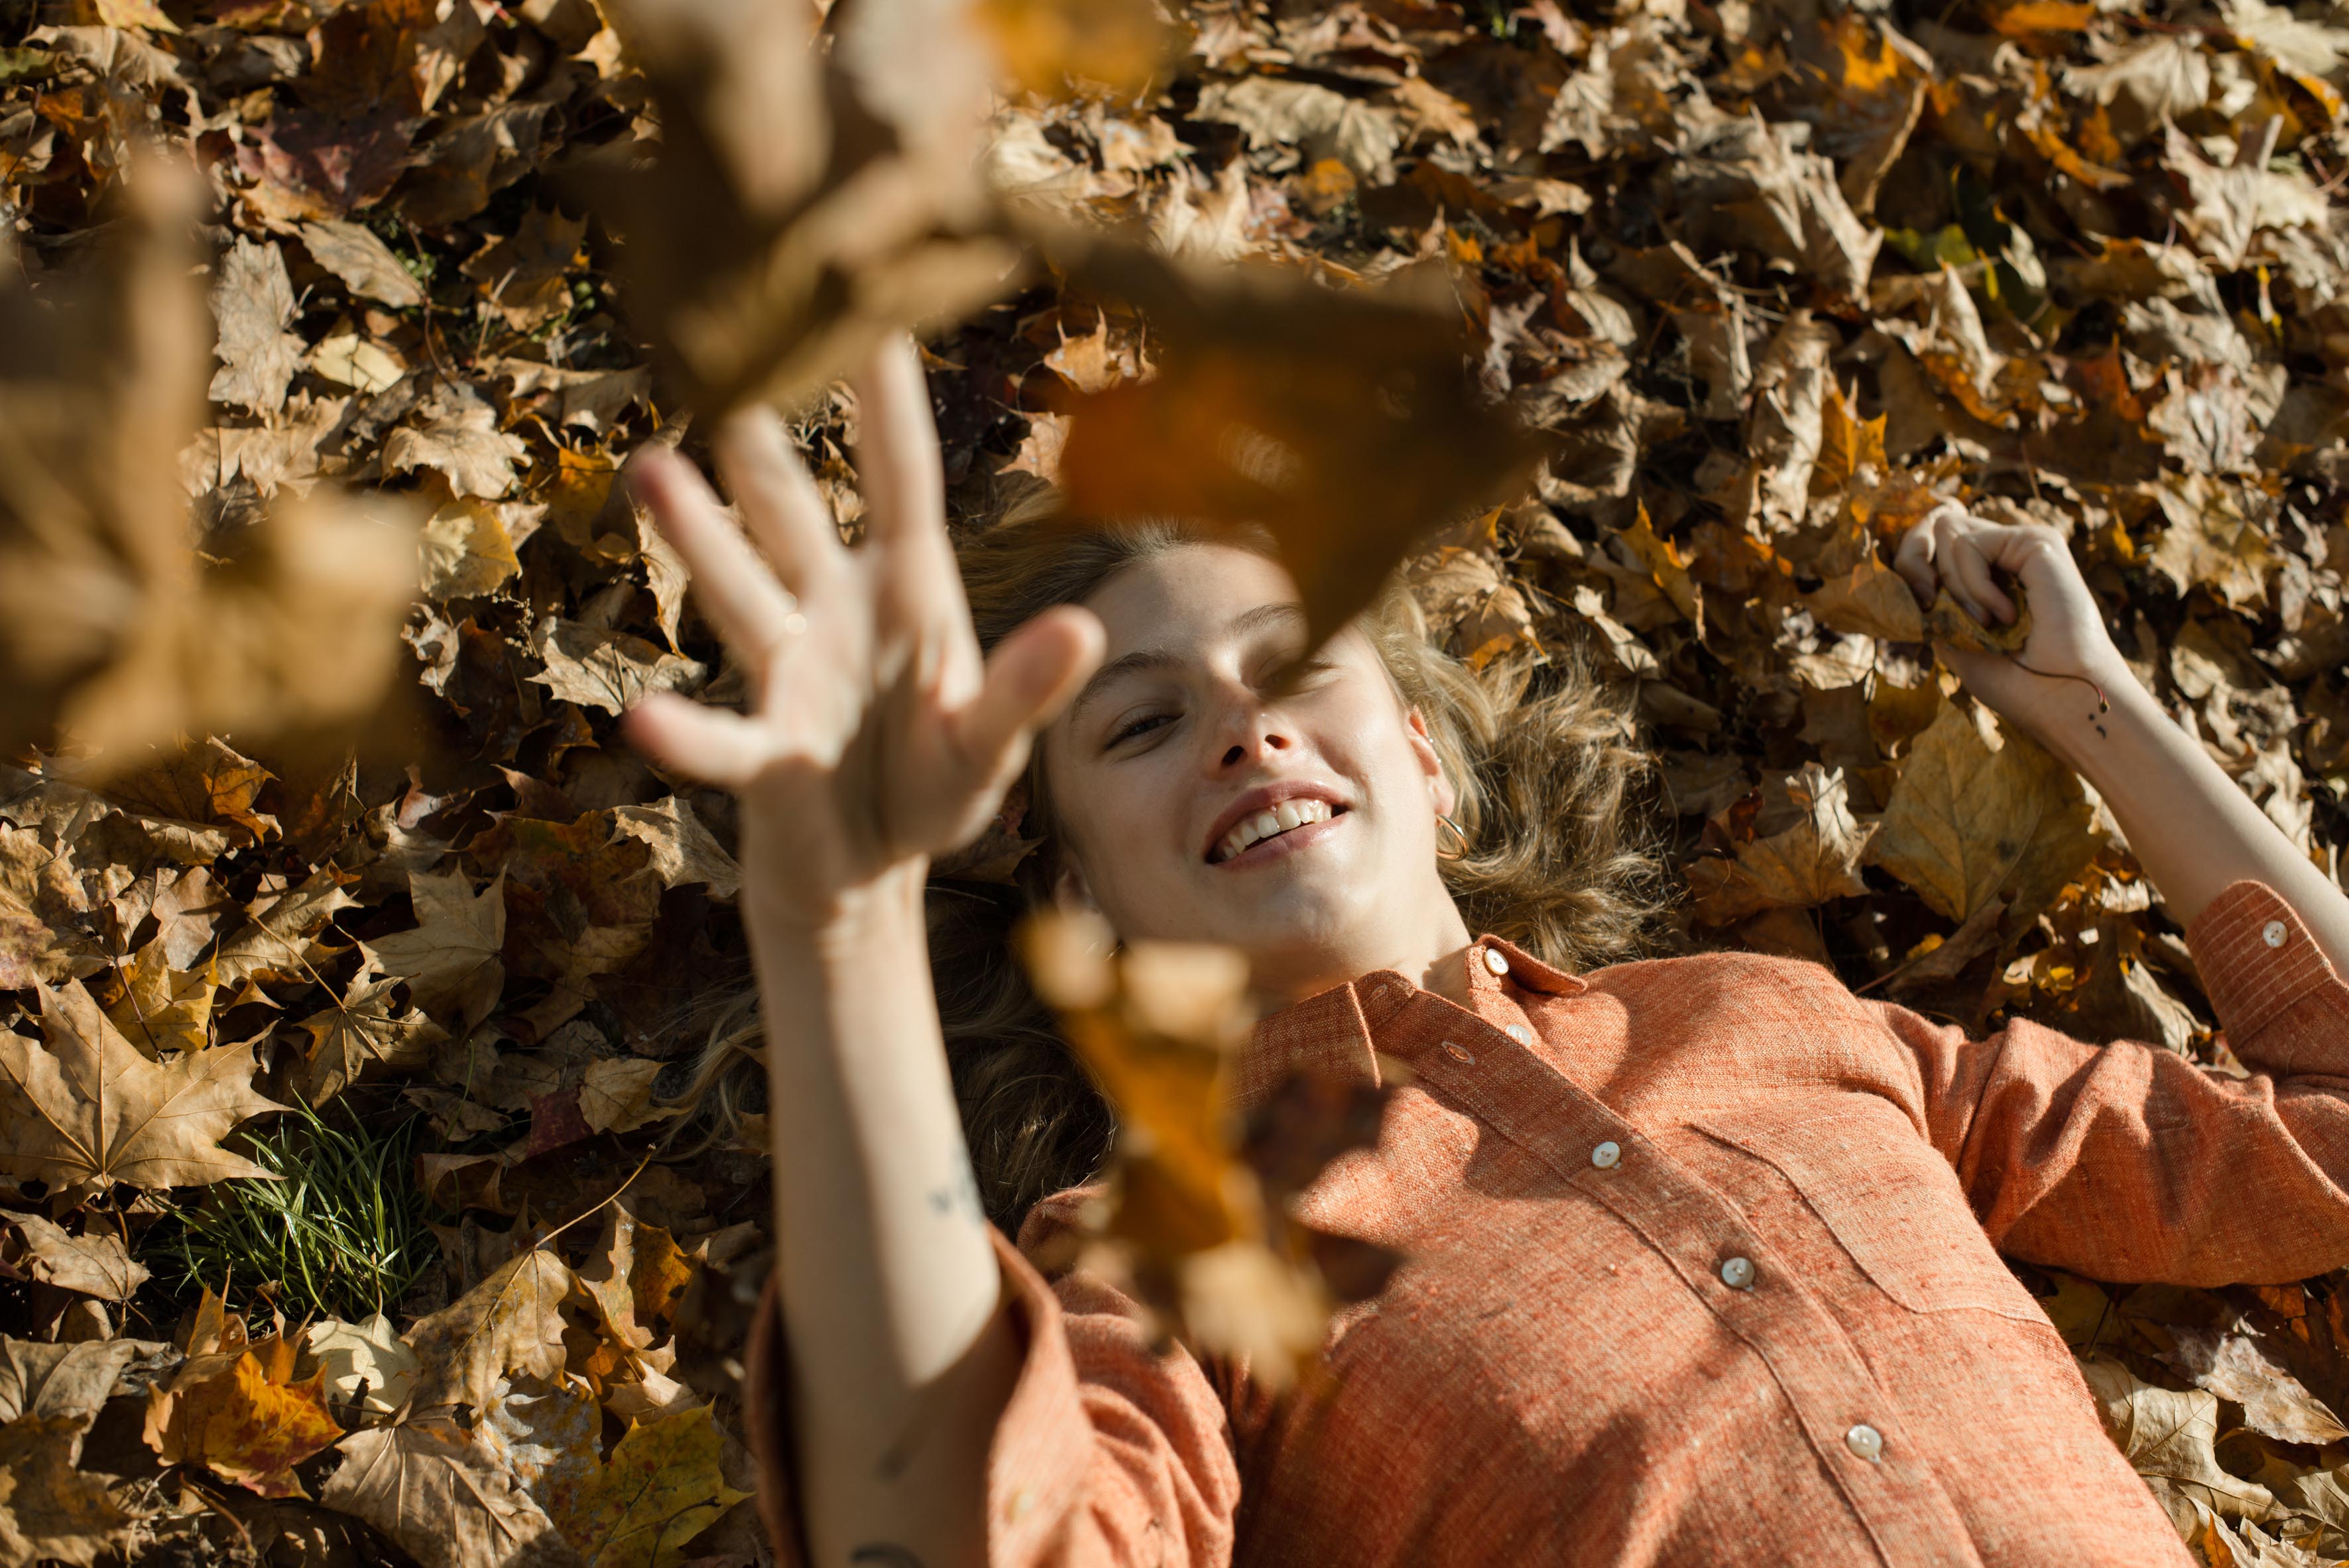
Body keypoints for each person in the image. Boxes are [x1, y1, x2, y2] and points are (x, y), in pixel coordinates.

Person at [621, 334, 2349, 1568]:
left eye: (1291, 663)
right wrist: (831, 924)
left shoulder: (1780, 1023)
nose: (1243, 727)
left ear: (1431, 763)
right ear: (1071, 899)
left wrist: (2098, 711)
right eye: (1141, 728)